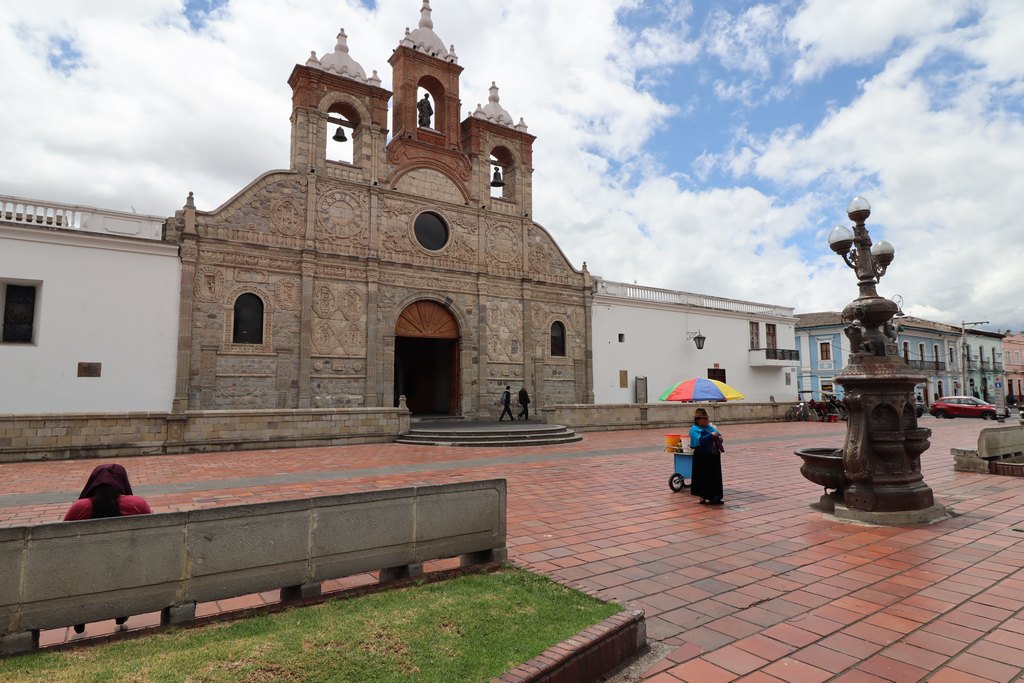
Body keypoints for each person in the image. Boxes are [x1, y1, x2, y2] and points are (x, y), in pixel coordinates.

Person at [63, 464, 152, 633]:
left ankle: (80, 614)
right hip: (126, 568)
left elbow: (61, 541)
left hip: (85, 572)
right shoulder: (137, 505)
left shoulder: (79, 507)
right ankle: (120, 608)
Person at [689, 408, 725, 505]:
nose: (706, 420)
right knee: (702, 477)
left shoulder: (710, 428)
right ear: (698, 420)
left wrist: (719, 437)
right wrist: (711, 435)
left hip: (713, 455)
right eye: (703, 419)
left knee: (714, 476)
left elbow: (719, 436)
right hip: (702, 456)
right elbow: (700, 440)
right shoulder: (694, 429)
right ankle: (702, 497)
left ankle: (715, 496)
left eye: (706, 418)